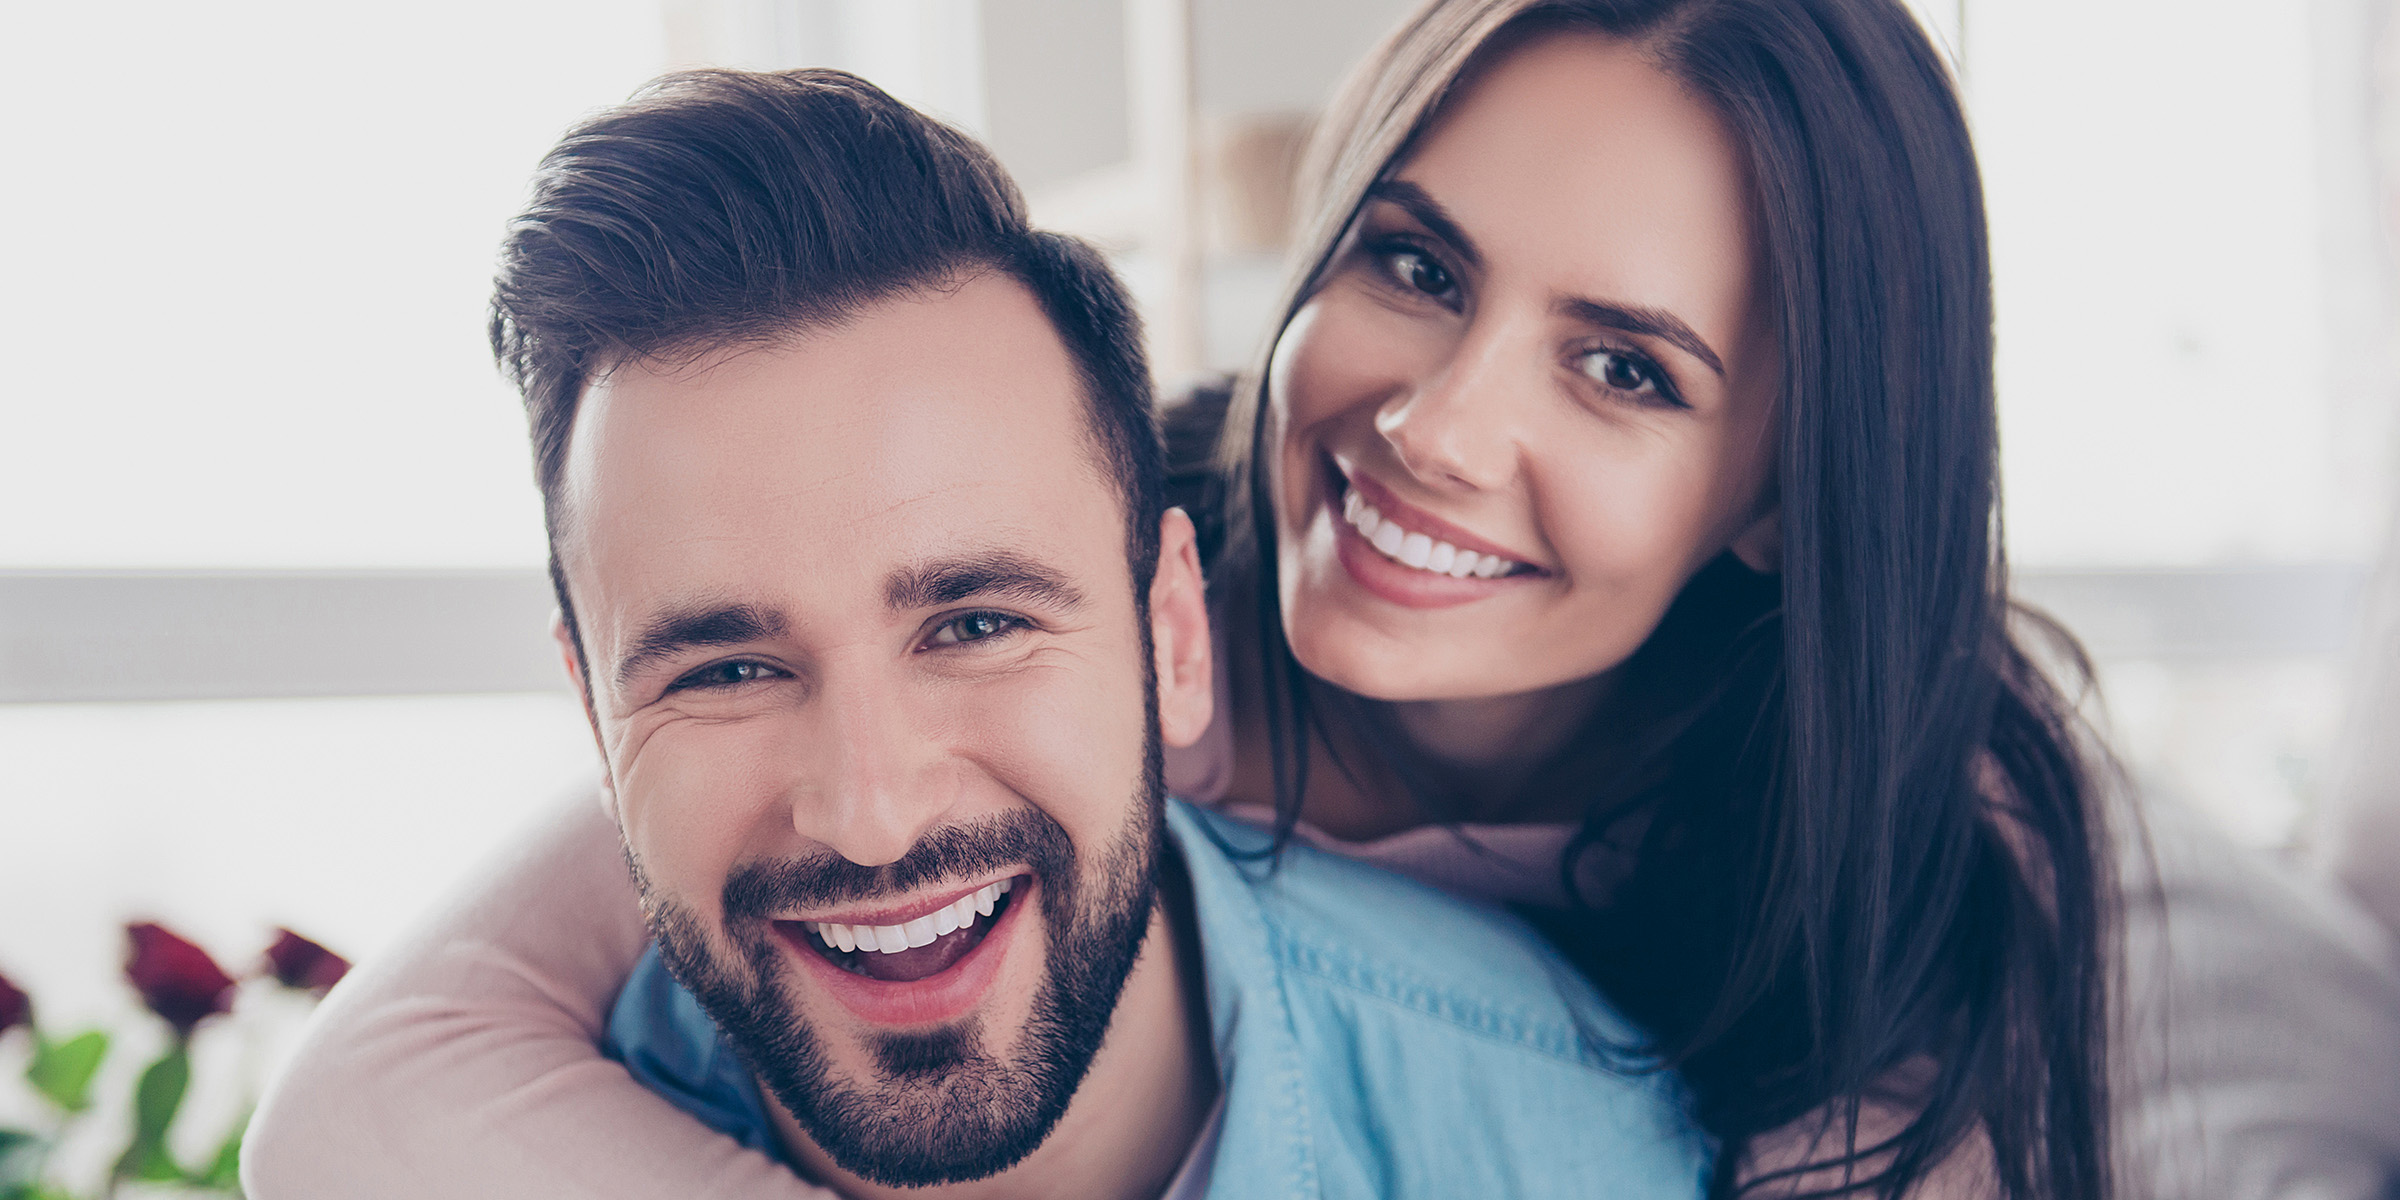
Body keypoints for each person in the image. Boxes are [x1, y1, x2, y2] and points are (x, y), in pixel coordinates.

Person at [248, 1, 2400, 1197]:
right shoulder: (1040, 579)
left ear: (1781, 491)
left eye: (1625, 366)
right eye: (1414, 265)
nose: (1438, 427)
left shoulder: (1892, 865)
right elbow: (366, 1091)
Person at [241, 66, 1711, 1199]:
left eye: (976, 622)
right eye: (730, 669)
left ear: (1174, 636)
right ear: (594, 719)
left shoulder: (1586, 1143)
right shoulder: (458, 1139)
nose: (871, 813)